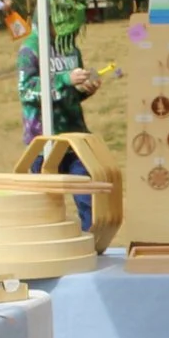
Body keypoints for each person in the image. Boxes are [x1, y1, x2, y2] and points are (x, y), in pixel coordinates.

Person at [15, 21, 103, 230]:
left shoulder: (70, 48)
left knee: (88, 201)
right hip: (43, 142)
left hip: (75, 139)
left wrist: (85, 88)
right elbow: (27, 91)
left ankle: (92, 247)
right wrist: (64, 79)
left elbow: (69, 93)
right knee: (46, 206)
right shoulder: (30, 48)